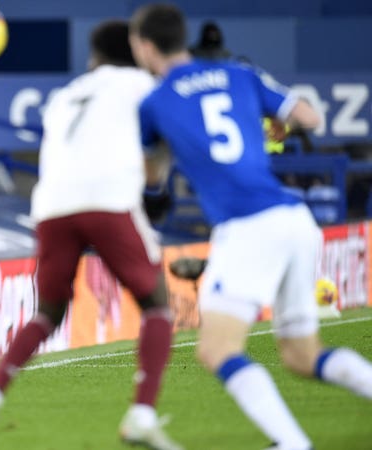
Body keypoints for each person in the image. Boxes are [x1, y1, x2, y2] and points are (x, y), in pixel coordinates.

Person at [129, 4, 372, 449]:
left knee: (217, 350)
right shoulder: (240, 74)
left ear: (145, 46)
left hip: (248, 226)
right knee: (302, 355)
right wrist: (271, 122)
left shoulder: (154, 102)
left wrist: (153, 193)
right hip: (295, 220)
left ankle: (293, 443)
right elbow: (310, 118)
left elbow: (153, 177)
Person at [0, 21, 182, 450]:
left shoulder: (66, 95)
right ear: (137, 50)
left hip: (52, 207)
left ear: (94, 56)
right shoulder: (143, 84)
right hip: (108, 202)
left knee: (47, 313)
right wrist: (157, 181)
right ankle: (141, 415)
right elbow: (156, 159)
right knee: (157, 304)